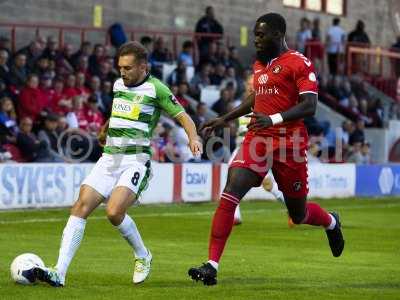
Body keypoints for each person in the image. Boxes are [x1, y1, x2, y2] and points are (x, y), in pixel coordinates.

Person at [188, 13, 345, 286]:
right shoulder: (260, 63)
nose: (256, 39)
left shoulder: (299, 62)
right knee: (230, 192)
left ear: (277, 34)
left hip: (290, 144)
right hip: (258, 139)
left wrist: (273, 118)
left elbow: (310, 105)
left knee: (298, 214)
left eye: (261, 35)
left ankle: (331, 222)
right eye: (255, 34)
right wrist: (225, 118)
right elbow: (257, 97)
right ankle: (212, 264)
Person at [31, 41, 202, 287]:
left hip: (136, 161)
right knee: (80, 206)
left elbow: (184, 117)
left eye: (128, 67)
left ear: (143, 67)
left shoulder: (157, 89)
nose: (122, 72)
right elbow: (118, 112)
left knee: (113, 212)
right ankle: (59, 271)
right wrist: (105, 129)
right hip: (109, 158)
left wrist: (193, 138)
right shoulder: (118, 84)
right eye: (120, 67)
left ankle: (143, 255)